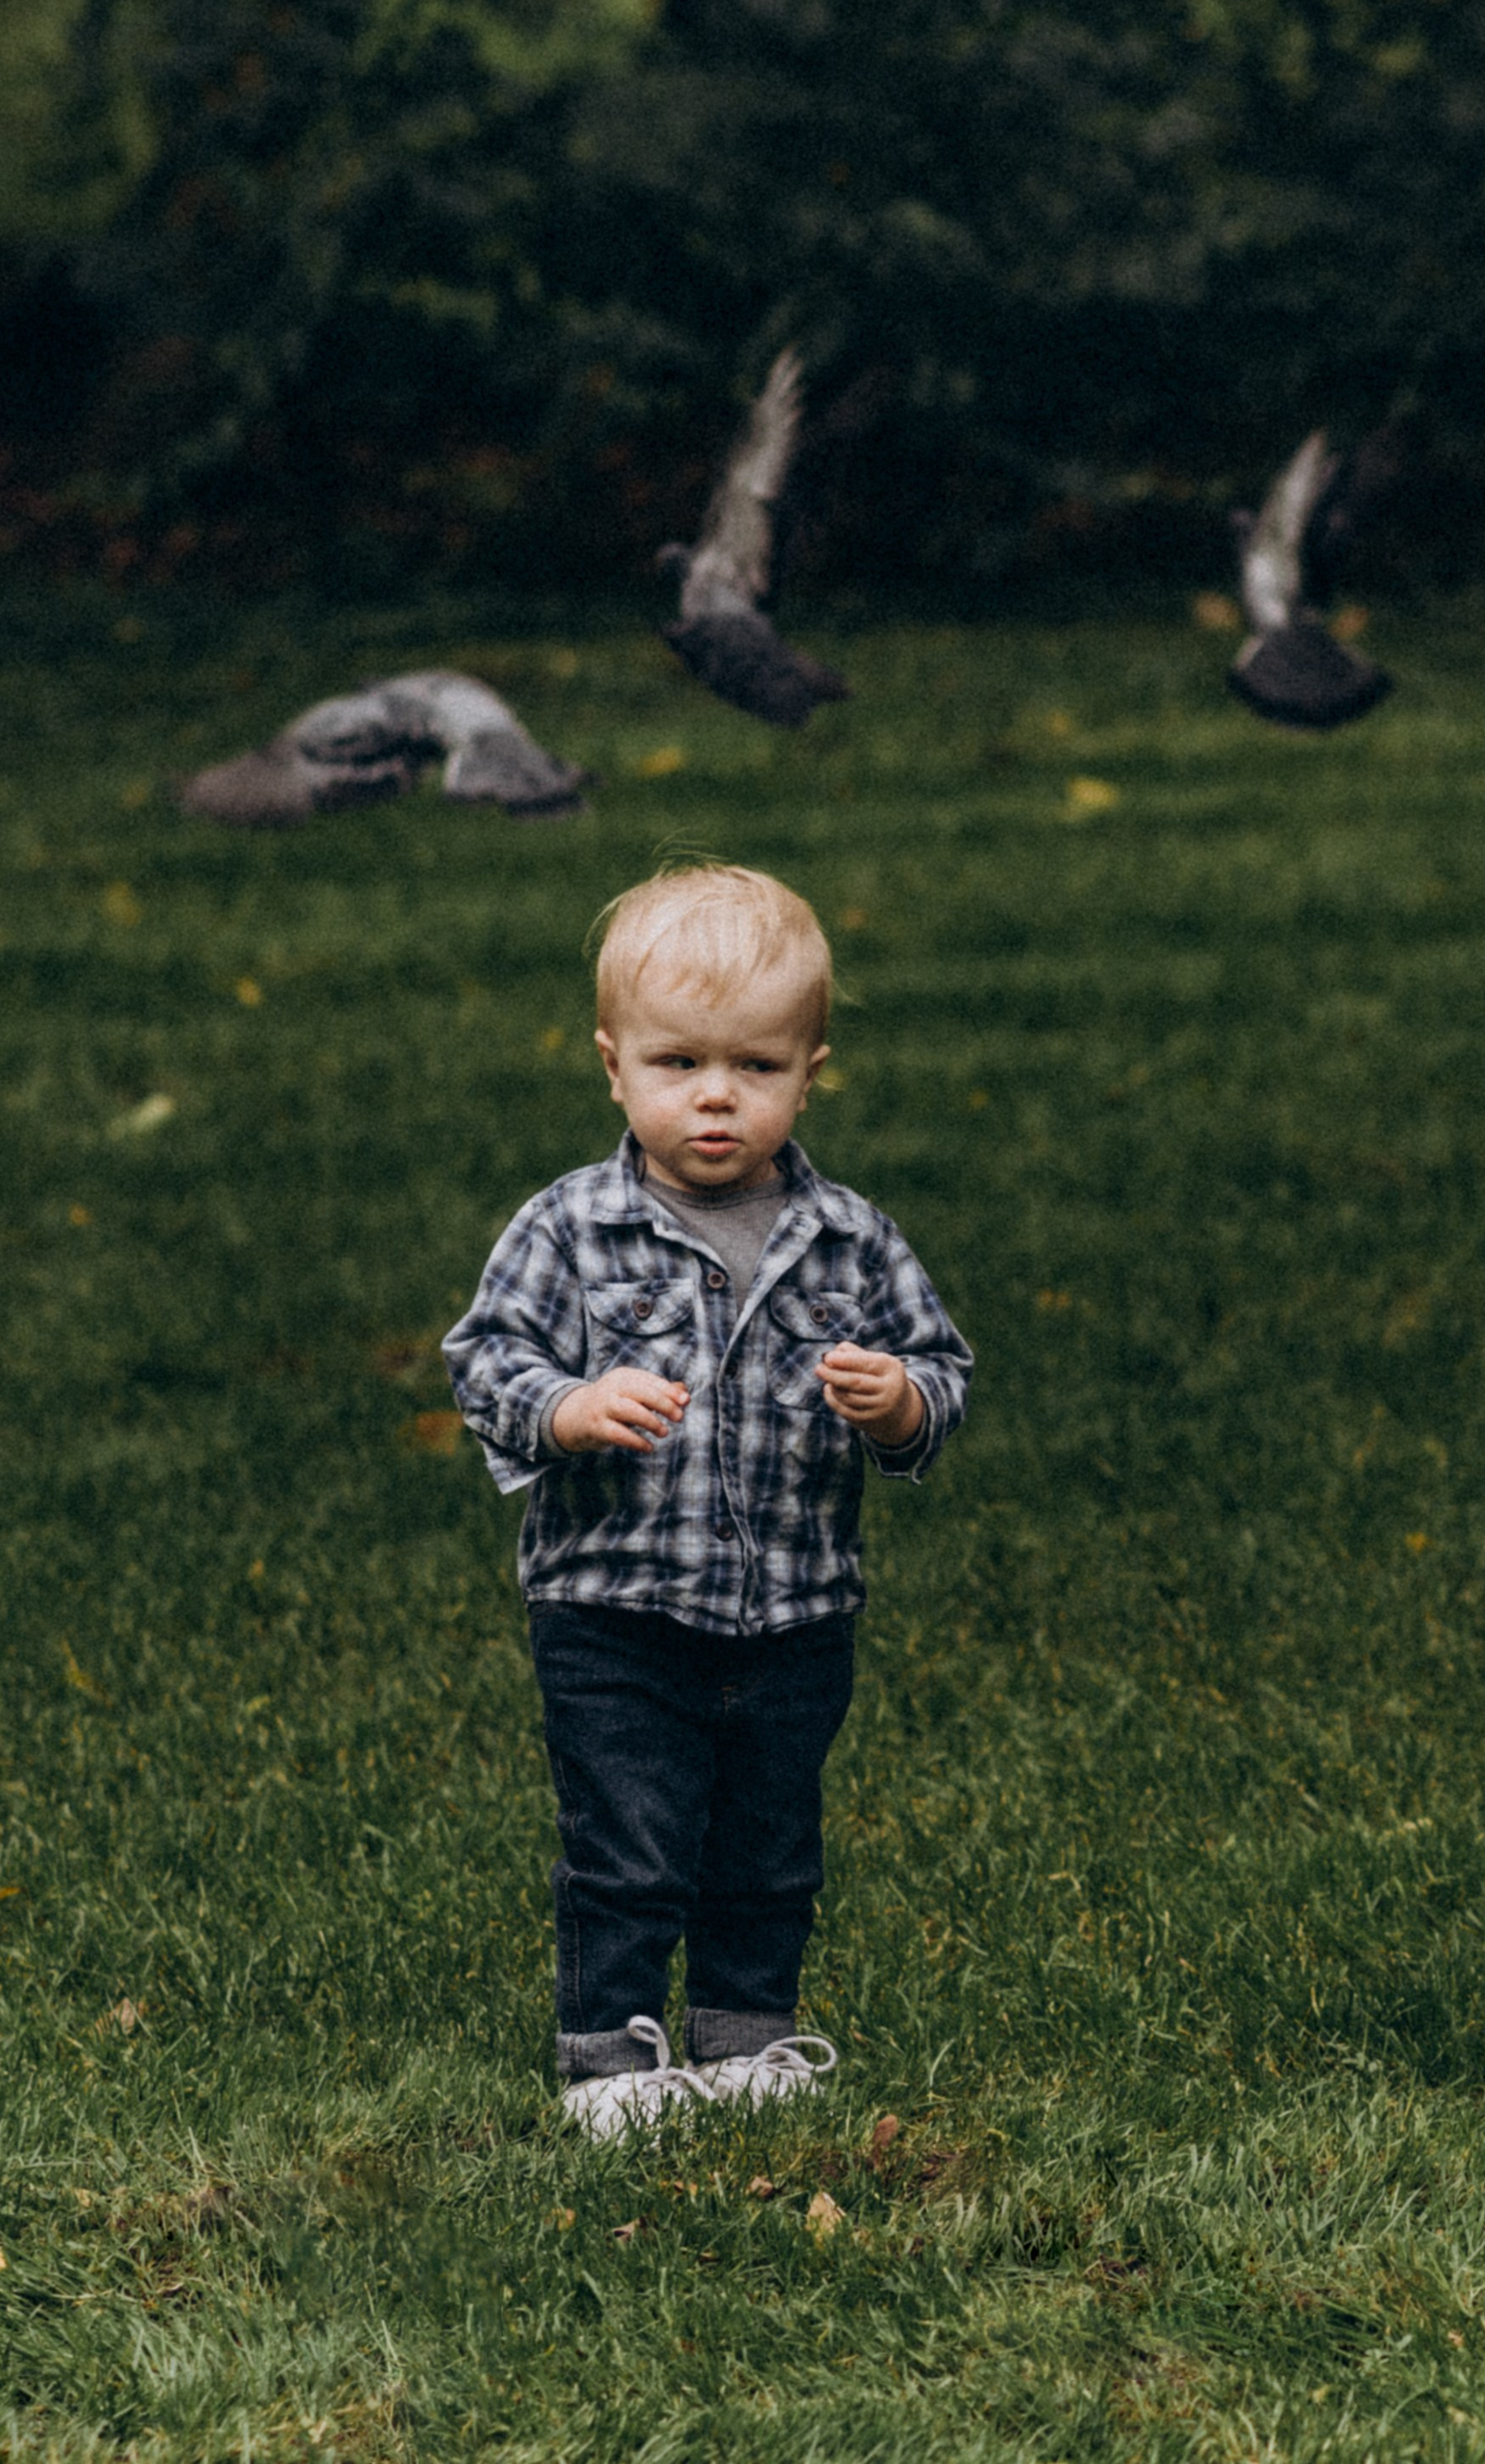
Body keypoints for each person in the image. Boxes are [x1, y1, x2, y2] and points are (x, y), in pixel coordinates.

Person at [443, 864, 972, 2136]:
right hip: (612, 1607)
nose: (718, 1096)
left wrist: (897, 1400)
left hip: (796, 1607)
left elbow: (942, 1371)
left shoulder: (851, 1240)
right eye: (680, 1064)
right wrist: (567, 1409)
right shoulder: (571, 1228)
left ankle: (746, 2041)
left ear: (810, 1069)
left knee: (769, 1844)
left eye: (758, 1067)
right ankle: (612, 2064)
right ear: (614, 1066)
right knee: (629, 1840)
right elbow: (487, 1360)